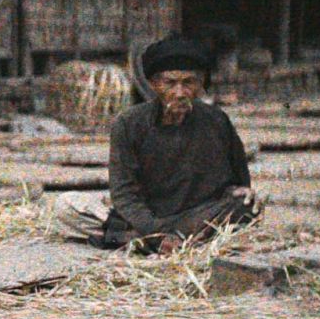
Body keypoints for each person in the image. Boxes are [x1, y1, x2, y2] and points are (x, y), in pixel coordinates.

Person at [51, 33, 255, 253]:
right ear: (154, 84)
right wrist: (156, 232)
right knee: (66, 206)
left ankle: (132, 241)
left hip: (195, 218)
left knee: (247, 207)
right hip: (146, 217)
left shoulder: (217, 120)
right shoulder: (129, 124)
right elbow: (124, 195)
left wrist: (241, 192)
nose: (179, 93)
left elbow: (239, 181)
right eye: (170, 83)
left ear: (200, 84)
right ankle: (154, 241)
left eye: (188, 83)